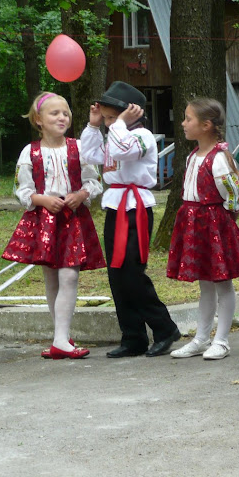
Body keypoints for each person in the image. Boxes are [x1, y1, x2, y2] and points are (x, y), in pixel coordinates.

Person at [80, 81, 181, 358]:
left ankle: (164, 328)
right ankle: (133, 336)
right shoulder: (115, 134)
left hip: (136, 207)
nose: (108, 122)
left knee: (132, 272)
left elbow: (124, 151)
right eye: (107, 118)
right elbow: (88, 154)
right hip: (115, 206)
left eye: (112, 117)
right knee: (116, 274)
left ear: (132, 113)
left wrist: (119, 123)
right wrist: (93, 125)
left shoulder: (142, 136)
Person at [2, 92, 105, 359]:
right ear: (38, 120)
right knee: (51, 279)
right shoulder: (30, 152)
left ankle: (60, 339)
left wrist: (81, 195)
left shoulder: (79, 147)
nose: (62, 117)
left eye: (66, 113)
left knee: (69, 275)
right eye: (55, 113)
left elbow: (94, 181)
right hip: (44, 221)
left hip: (72, 219)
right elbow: (21, 189)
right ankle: (61, 336)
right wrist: (42, 199)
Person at [167, 98, 239, 360]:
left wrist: (227, 217)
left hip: (213, 224)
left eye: (188, 119)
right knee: (205, 284)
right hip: (193, 223)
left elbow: (234, 193)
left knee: (221, 282)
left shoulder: (218, 159)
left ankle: (221, 340)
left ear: (206, 125)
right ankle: (201, 338)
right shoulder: (193, 155)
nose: (183, 123)